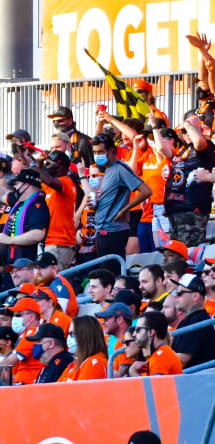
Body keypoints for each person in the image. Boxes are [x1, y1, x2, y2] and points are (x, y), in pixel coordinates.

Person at [91, 134, 152, 267]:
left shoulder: (120, 169)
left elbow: (146, 191)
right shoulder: (108, 170)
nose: (97, 155)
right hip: (102, 230)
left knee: (112, 273)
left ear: (111, 150)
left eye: (100, 152)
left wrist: (124, 210)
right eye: (95, 152)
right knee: (105, 274)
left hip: (114, 232)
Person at [159, 115, 215, 246]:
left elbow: (199, 142)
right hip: (175, 210)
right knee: (176, 252)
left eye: (190, 130)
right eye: (183, 131)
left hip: (192, 210)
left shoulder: (206, 147)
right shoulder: (182, 150)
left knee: (190, 252)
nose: (187, 133)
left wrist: (188, 125)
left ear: (200, 130)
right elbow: (162, 149)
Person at [0, 169, 50, 265]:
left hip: (26, 266)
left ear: (26, 185)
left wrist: (9, 240)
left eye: (16, 184)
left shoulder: (38, 205)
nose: (14, 187)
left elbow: (38, 234)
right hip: (12, 265)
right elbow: (1, 193)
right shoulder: (19, 202)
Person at [33, 150, 78, 269]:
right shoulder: (51, 187)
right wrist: (38, 164)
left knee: (53, 279)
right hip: (51, 241)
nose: (45, 166)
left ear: (60, 168)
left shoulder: (66, 181)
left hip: (61, 242)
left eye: (49, 164)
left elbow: (49, 180)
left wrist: (34, 167)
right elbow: (40, 182)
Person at [168, 274, 215, 367]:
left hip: (198, 379)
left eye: (180, 292)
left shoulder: (198, 321)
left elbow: (181, 361)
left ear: (195, 296)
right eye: (175, 292)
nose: (175, 296)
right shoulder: (191, 319)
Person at [0, 298, 45, 385]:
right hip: (24, 381)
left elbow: (10, 361)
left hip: (29, 384)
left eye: (18, 315)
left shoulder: (33, 332)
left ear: (32, 317)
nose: (15, 318)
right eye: (14, 315)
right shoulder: (26, 333)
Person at [129, 312, 183, 376]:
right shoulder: (157, 355)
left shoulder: (161, 357)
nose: (134, 334)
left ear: (151, 332)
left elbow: (155, 386)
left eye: (138, 330)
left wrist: (133, 372)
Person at [58, 316, 108, 381]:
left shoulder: (94, 363)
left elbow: (80, 391)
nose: (68, 338)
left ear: (85, 335)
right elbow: (55, 388)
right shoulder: (75, 364)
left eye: (72, 334)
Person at [32, 252, 79, 317]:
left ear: (54, 268)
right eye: (35, 267)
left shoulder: (59, 283)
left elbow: (59, 313)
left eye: (42, 267)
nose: (38, 271)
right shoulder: (43, 283)